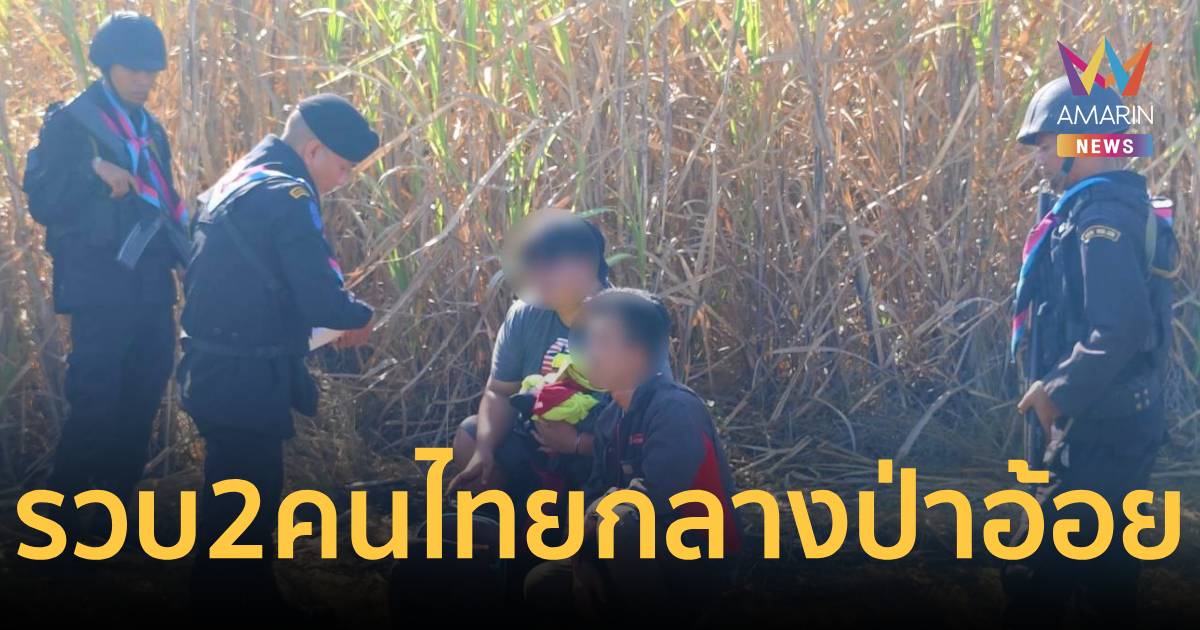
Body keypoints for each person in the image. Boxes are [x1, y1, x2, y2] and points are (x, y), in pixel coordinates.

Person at [176, 94, 378, 614]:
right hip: (244, 372)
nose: (342, 180)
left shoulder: (239, 177)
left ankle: (231, 595)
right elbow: (319, 295)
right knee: (247, 501)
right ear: (313, 151)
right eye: (342, 167)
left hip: (212, 363)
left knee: (234, 494)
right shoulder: (289, 194)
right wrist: (358, 316)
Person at [1004, 76, 1178, 625]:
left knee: (1036, 571)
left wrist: (1057, 392)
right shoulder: (1095, 209)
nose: (1038, 157)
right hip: (1115, 423)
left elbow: (1121, 326)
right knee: (1108, 578)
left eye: (1046, 144)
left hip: (1101, 431)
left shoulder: (1100, 221)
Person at [22, 11, 187, 529]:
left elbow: (164, 201)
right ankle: (59, 529)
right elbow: (44, 201)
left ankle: (108, 523)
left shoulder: (150, 130)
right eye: (132, 69)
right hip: (98, 288)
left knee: (143, 396)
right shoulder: (71, 124)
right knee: (95, 406)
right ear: (106, 66)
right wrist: (92, 171)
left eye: (150, 71)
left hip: (150, 286)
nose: (143, 79)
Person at [523, 288, 741, 622]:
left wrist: (593, 520)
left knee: (621, 521)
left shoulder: (675, 409)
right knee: (541, 585)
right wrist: (583, 561)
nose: (586, 351)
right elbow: (594, 491)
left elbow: (653, 499)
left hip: (695, 553)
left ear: (636, 355)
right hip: (631, 545)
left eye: (601, 341)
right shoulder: (610, 416)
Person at [448, 213, 672, 501]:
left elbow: (649, 426)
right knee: (469, 436)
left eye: (550, 265)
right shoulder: (524, 314)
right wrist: (484, 450)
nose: (536, 275)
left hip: (604, 458)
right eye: (531, 264)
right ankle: (509, 517)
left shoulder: (629, 319)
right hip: (540, 449)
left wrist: (577, 443)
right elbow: (500, 392)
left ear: (587, 266)